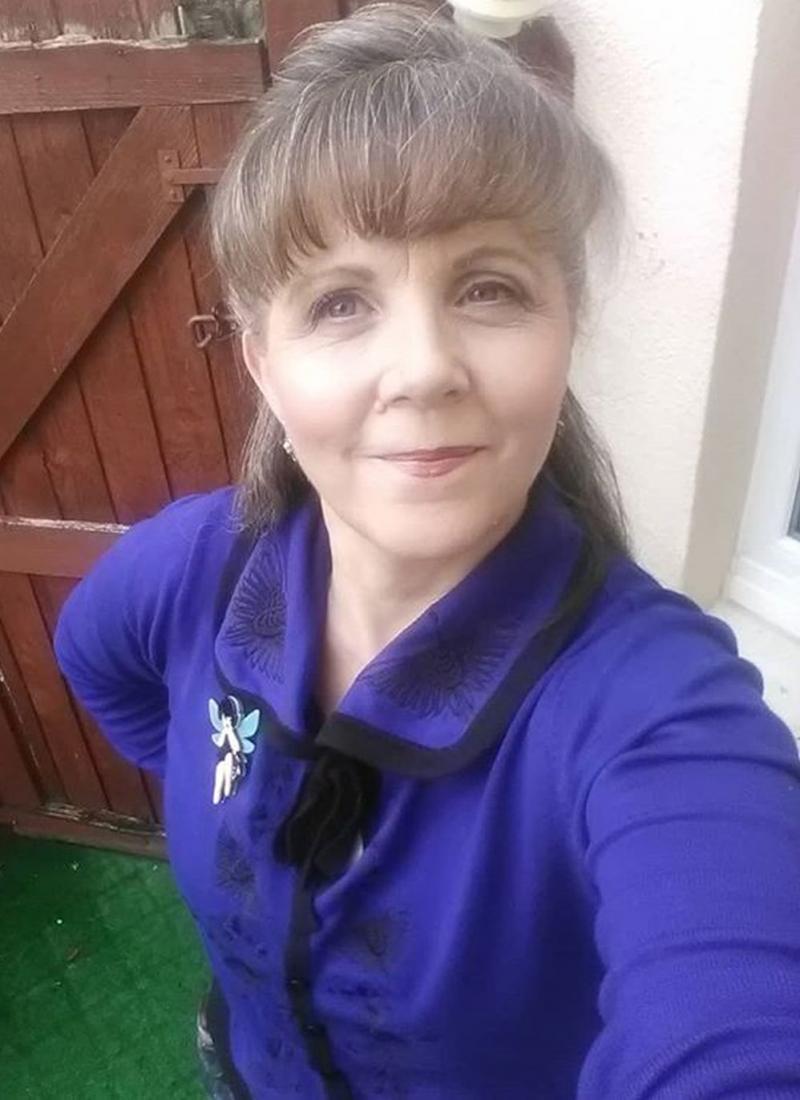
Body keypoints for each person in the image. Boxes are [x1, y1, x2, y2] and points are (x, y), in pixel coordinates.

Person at [53, 3, 800, 1098]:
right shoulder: (189, 572)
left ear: (567, 326)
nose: (423, 369)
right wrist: (225, 800)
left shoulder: (653, 708)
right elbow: (98, 663)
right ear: (262, 364)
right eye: (340, 302)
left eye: (488, 288)